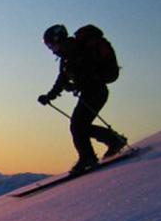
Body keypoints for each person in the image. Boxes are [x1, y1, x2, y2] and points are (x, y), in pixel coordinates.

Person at [38, 24, 126, 175]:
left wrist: (54, 94)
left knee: (78, 126)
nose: (52, 49)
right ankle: (112, 141)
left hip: (95, 92)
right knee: (80, 126)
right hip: (92, 92)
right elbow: (63, 79)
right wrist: (50, 95)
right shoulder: (68, 56)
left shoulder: (76, 52)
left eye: (51, 45)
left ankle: (88, 157)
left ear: (57, 40)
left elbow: (80, 75)